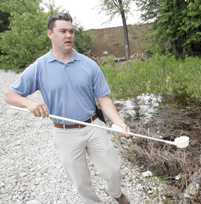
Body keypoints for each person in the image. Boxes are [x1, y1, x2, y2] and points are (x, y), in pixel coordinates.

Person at [4, 13, 130, 204]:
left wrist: (119, 123)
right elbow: (9, 96)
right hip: (64, 133)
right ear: (50, 34)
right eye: (62, 31)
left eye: (71, 31)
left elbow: (103, 99)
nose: (68, 35)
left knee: (112, 170)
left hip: (94, 125)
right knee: (80, 183)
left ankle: (115, 194)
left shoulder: (89, 65)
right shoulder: (39, 67)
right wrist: (29, 103)